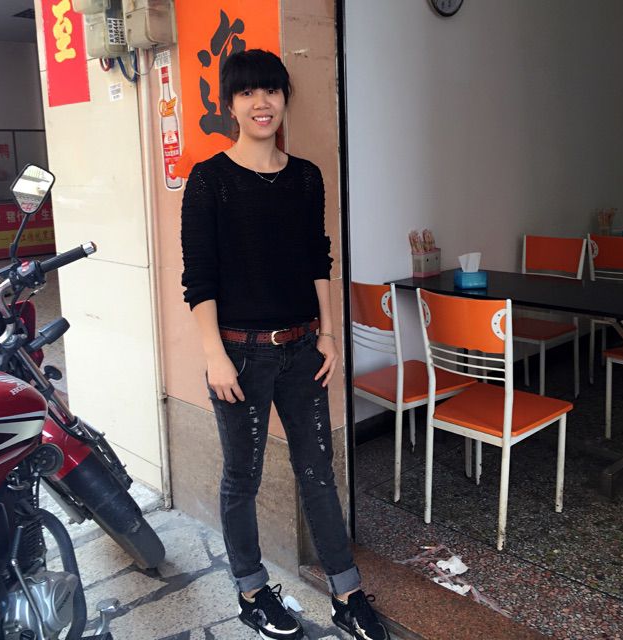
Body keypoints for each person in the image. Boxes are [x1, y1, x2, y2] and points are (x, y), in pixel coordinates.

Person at [181, 49, 389, 640]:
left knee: (318, 470)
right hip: (240, 355)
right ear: (230, 105)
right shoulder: (210, 180)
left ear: (284, 98)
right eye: (247, 92)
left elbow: (318, 258)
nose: (261, 103)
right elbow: (199, 278)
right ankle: (252, 592)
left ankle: (347, 594)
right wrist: (214, 355)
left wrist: (328, 333)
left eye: (270, 91)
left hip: (303, 350)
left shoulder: (306, 177)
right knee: (241, 477)